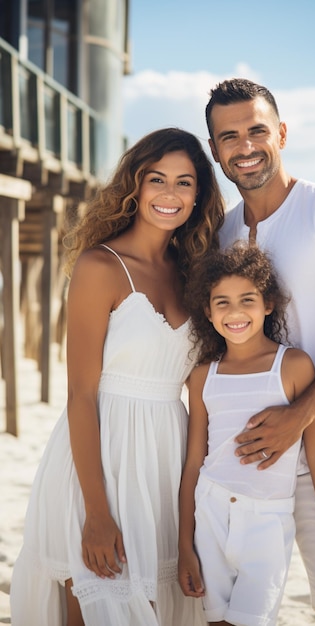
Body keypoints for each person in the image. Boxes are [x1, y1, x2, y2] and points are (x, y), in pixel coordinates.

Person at [10, 127, 224, 626]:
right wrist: (97, 513)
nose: (170, 194)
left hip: (164, 467)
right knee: (97, 605)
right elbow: (81, 395)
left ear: (199, 195)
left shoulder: (194, 271)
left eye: (185, 183)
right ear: (135, 184)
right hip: (97, 463)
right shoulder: (100, 266)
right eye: (157, 179)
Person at [204, 79, 315, 626]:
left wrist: (298, 417)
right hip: (246, 464)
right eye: (229, 136)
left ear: (281, 133)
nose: (246, 145)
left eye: (257, 129)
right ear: (215, 151)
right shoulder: (223, 234)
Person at [178, 243, 315, 626]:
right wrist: (184, 546)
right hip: (210, 513)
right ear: (207, 311)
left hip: (268, 521)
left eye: (247, 300)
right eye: (221, 302)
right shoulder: (203, 375)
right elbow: (194, 461)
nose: (235, 312)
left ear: (268, 304)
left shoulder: (292, 365)